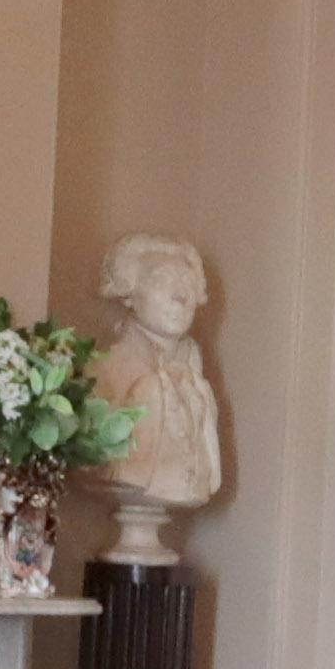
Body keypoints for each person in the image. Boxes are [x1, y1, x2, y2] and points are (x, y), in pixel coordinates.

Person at [92, 232, 226, 564]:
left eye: (187, 285)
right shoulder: (100, 373)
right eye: (163, 280)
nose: (181, 297)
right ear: (129, 293)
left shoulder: (196, 382)